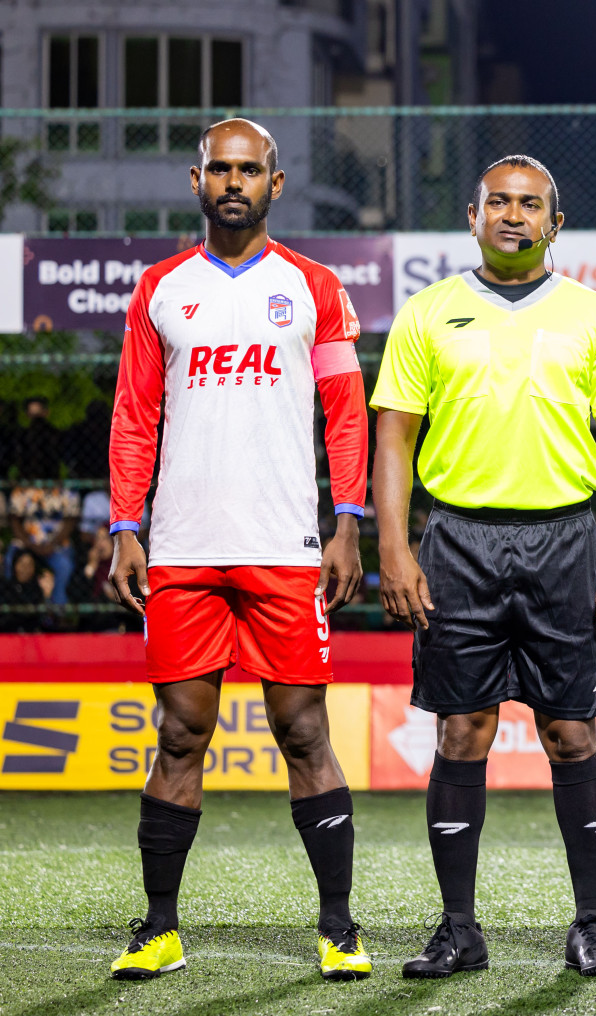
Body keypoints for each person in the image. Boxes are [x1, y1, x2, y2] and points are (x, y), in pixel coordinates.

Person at [106, 118, 371, 982]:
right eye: (219, 168)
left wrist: (347, 521)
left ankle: (338, 926)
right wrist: (125, 526)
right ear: (196, 180)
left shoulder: (317, 288)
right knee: (180, 736)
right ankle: (158, 928)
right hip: (183, 550)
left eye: (248, 170)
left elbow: (344, 412)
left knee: (304, 733)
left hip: (285, 550)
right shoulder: (159, 290)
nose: (233, 182)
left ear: (275, 184)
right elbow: (136, 416)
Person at [371, 154, 596, 978]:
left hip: (564, 540)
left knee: (570, 734)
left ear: (555, 224)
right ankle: (459, 929)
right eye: (500, 202)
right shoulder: (428, 314)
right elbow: (393, 436)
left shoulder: (593, 316)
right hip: (457, 543)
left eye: (531, 205)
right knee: (463, 731)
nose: (514, 215)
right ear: (473, 215)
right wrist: (394, 545)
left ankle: (592, 925)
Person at [7, 479, 80, 605]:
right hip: (27, 543)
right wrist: (30, 544)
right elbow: (14, 521)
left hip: (56, 544)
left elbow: (70, 521)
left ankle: (58, 608)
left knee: (64, 565)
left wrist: (53, 544)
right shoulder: (23, 489)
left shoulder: (67, 490)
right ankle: (11, 602)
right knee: (9, 559)